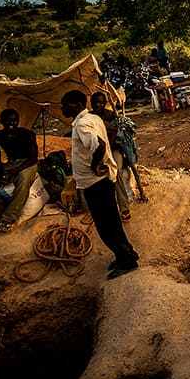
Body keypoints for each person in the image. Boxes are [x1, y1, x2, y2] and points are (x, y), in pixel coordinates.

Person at [61, 90, 139, 279]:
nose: (62, 109)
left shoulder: (82, 124)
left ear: (77, 105)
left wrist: (96, 165)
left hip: (95, 183)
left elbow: (99, 145)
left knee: (107, 226)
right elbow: (107, 137)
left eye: (65, 105)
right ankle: (126, 254)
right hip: (99, 182)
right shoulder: (92, 118)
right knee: (112, 222)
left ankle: (127, 261)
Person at [0, 108, 40, 233]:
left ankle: (8, 219)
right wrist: (0, 175)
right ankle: (4, 212)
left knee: (23, 180)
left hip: (27, 163)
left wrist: (13, 172)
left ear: (18, 121)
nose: (11, 124)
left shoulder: (28, 134)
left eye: (14, 121)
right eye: (7, 121)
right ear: (1, 122)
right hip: (11, 163)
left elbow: (33, 158)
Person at [90, 92, 137, 221]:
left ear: (105, 103)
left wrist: (108, 149)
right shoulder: (89, 117)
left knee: (115, 171)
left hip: (113, 149)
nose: (97, 105)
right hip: (96, 150)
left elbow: (114, 132)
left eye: (100, 102)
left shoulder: (110, 116)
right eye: (95, 102)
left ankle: (124, 207)